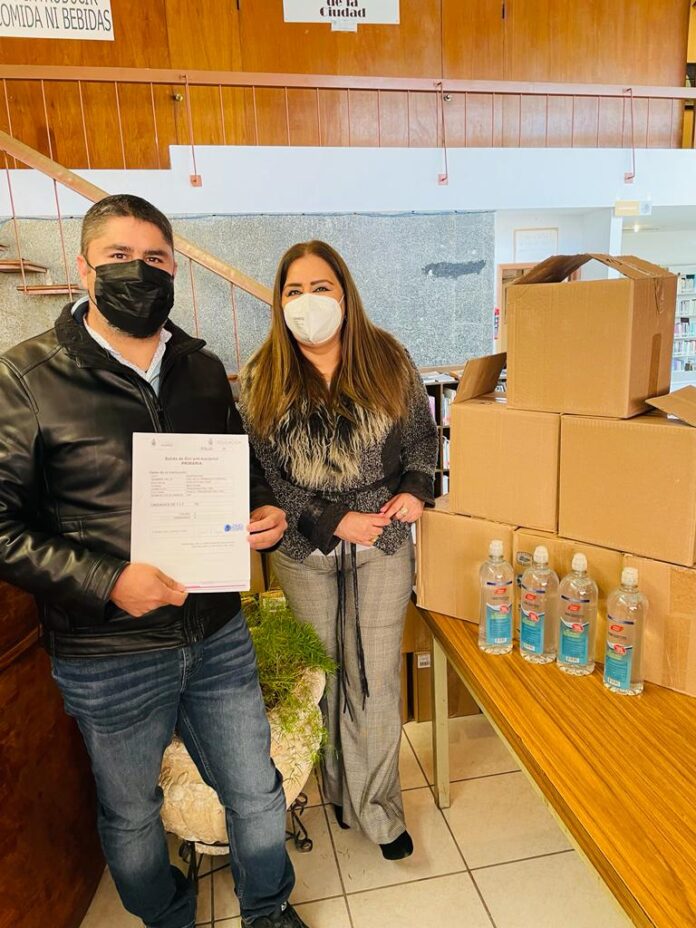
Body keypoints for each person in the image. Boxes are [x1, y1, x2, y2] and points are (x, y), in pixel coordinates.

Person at [0, 195, 309, 928]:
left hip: (215, 630)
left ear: (172, 269)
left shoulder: (201, 368)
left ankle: (268, 909)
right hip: (107, 652)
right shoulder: (27, 377)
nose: (139, 272)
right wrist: (109, 581)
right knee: (133, 812)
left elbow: (241, 470)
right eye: (119, 257)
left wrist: (264, 507)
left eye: (155, 259)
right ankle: (168, 918)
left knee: (255, 790)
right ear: (84, 268)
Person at [239, 240, 438, 860]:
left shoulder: (388, 359)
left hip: (382, 539)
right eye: (294, 291)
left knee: (374, 677)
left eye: (320, 287)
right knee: (322, 676)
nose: (308, 301)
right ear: (280, 302)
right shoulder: (261, 376)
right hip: (303, 547)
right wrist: (331, 519)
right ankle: (337, 792)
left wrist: (415, 490)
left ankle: (379, 810)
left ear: (344, 294)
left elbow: (422, 440)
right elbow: (262, 474)